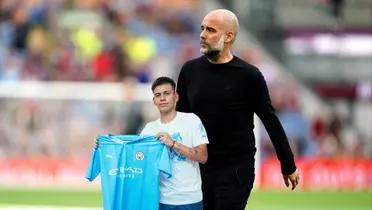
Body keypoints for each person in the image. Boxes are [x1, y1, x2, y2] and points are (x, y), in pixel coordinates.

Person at [176, 9, 300, 210]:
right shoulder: (189, 71)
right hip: (198, 167)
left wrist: (288, 164)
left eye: (210, 30)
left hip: (235, 169)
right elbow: (179, 119)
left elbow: (270, 121)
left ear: (228, 36)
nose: (202, 34)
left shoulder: (249, 76)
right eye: (202, 29)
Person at [140, 76, 209, 210]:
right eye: (158, 95)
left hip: (190, 199)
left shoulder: (192, 120)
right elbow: (137, 158)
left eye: (167, 93)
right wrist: (102, 147)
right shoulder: (149, 129)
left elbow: (203, 157)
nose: (162, 98)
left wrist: (173, 143)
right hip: (161, 200)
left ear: (176, 97)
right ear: (154, 101)